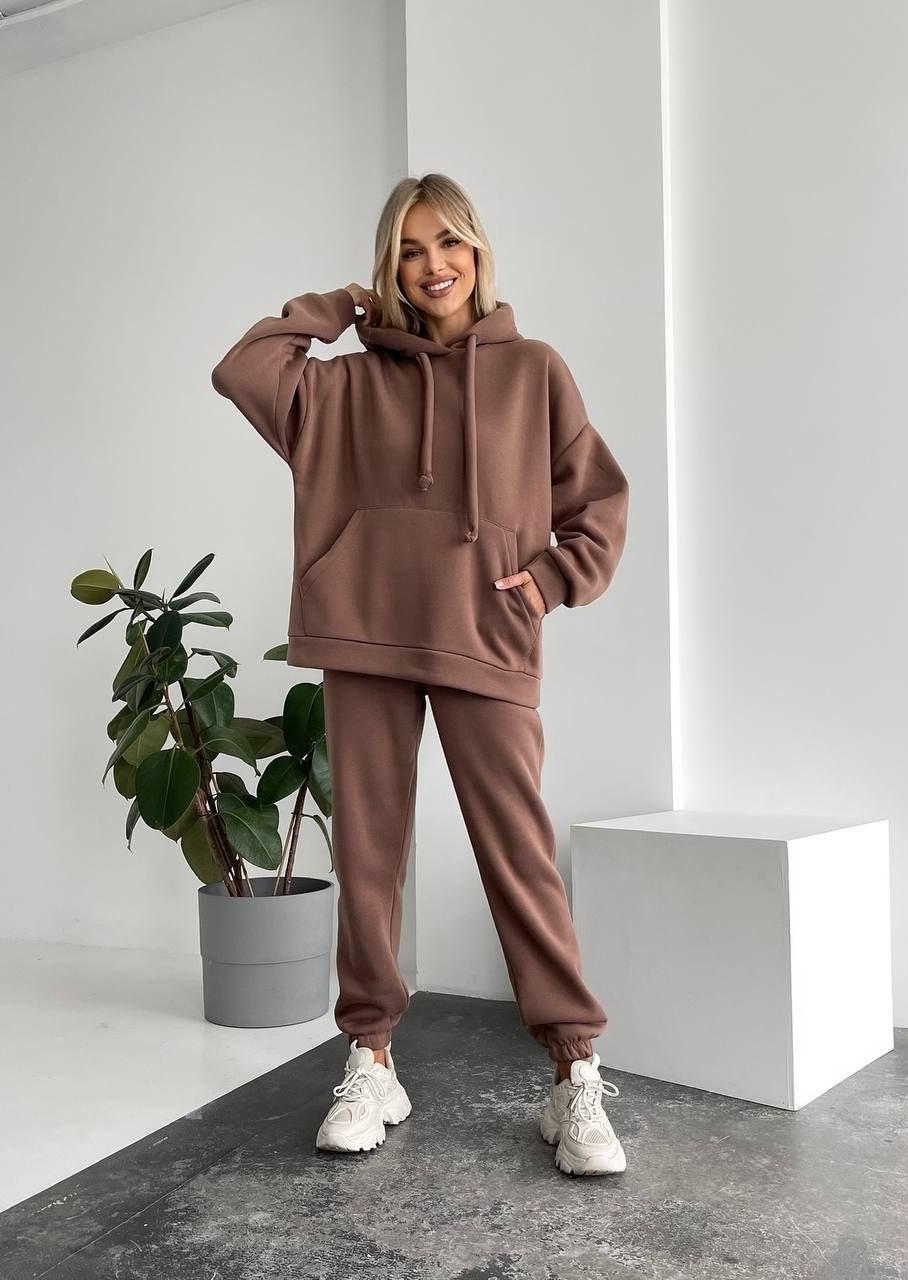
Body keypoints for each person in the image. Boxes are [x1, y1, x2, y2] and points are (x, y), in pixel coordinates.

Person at [211, 172, 630, 1176]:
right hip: (365, 631)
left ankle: (574, 1071)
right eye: (408, 249)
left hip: (486, 632)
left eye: (448, 242)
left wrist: (549, 581)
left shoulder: (533, 370)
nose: (432, 265)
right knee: (367, 855)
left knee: (518, 856)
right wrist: (340, 307)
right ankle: (371, 1058)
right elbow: (242, 367)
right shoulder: (342, 386)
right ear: (387, 267)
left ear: (478, 250)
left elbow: (599, 505)